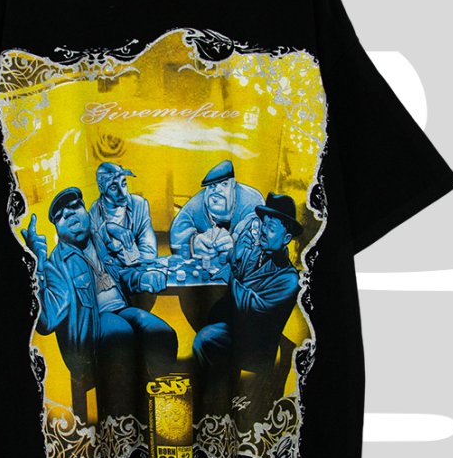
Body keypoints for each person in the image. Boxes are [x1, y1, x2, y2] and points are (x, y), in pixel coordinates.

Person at [22, 186, 177, 421]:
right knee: (119, 331)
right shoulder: (57, 263)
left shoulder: (103, 243)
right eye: (61, 216)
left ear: (86, 212)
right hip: (87, 338)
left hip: (121, 310)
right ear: (57, 229)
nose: (69, 215)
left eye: (75, 207)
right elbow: (47, 321)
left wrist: (143, 278)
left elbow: (123, 274)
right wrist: (37, 265)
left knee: (161, 333)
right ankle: (121, 419)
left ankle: (150, 399)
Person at [191, 192, 304, 417]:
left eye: (271, 227)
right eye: (263, 224)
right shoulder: (256, 254)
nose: (263, 230)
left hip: (255, 346)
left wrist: (230, 276)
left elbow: (250, 307)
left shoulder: (288, 279)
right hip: (237, 328)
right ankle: (213, 396)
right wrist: (226, 251)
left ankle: (210, 403)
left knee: (205, 339)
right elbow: (234, 262)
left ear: (286, 238)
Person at [169, 159, 265, 263]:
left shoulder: (252, 201)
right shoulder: (195, 205)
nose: (217, 190)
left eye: (224, 184)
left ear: (233, 185)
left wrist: (236, 245)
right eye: (212, 186)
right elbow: (176, 238)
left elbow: (261, 241)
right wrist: (193, 244)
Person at [88, 162, 157, 270]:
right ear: (101, 188)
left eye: (124, 184)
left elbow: (149, 253)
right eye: (114, 188)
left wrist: (117, 261)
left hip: (137, 273)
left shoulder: (139, 205)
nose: (123, 193)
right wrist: (108, 228)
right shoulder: (95, 211)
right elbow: (94, 256)